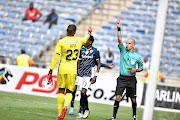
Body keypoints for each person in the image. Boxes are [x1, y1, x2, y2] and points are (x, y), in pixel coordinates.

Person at [47, 24, 92, 120]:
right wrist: (89, 33)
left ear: (66, 31)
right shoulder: (79, 40)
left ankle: (59, 114)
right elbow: (85, 39)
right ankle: (65, 107)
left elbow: (56, 57)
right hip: (72, 70)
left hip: (62, 69)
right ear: (75, 32)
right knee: (69, 92)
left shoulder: (61, 42)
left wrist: (51, 70)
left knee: (60, 91)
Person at [69, 36, 116, 118]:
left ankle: (85, 110)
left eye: (86, 40)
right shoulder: (82, 50)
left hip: (89, 75)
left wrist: (95, 75)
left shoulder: (95, 51)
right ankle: (76, 107)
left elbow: (98, 64)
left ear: (90, 42)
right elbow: (79, 61)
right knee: (75, 90)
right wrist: (77, 70)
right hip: (80, 74)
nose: (84, 41)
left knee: (83, 92)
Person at [108, 18, 143, 120]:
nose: (127, 44)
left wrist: (135, 70)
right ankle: (114, 117)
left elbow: (141, 67)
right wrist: (118, 27)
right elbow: (119, 39)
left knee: (133, 99)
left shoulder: (137, 56)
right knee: (118, 97)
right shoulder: (123, 50)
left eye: (129, 43)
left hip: (131, 79)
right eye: (126, 43)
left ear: (133, 45)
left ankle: (134, 116)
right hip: (122, 78)